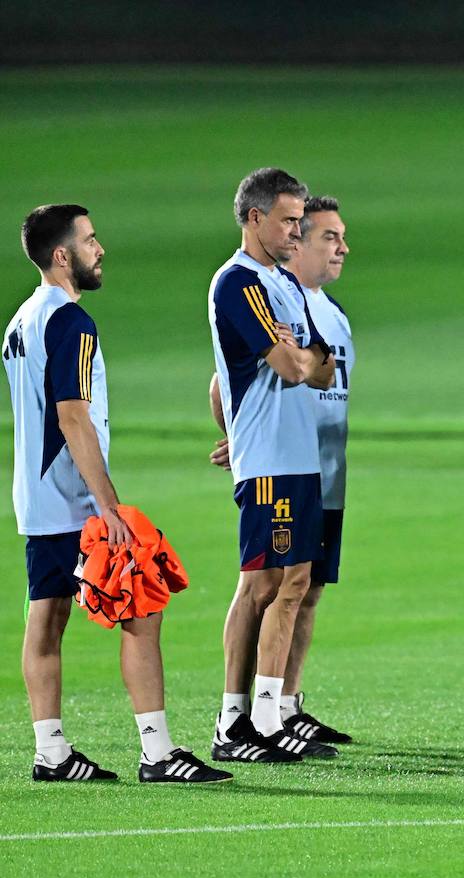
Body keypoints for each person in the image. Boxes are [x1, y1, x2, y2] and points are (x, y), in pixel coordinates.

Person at [4, 205, 230, 783]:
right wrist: (108, 506)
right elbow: (73, 417)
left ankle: (51, 752)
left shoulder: (20, 321)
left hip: (35, 500)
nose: (100, 249)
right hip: (76, 503)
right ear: (63, 256)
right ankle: (157, 753)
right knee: (144, 608)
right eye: (90, 240)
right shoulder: (70, 322)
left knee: (46, 619)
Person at [214, 195, 356, 745]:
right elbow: (292, 368)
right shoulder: (240, 283)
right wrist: (238, 435)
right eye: (293, 223)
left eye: (303, 224)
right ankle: (238, 718)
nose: (296, 233)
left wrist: (301, 359)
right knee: (263, 585)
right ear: (256, 218)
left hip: (309, 463)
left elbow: (317, 370)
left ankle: (275, 712)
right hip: (273, 458)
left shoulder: (293, 293)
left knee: (298, 584)